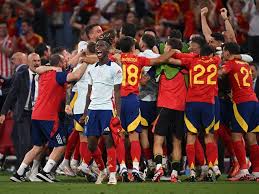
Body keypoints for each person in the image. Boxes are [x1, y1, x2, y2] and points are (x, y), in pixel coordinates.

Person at [9, 53, 89, 183]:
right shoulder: (57, 75)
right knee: (61, 144)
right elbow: (75, 75)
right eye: (64, 61)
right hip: (48, 117)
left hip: (36, 115)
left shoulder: (44, 75)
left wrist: (80, 55)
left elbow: (68, 67)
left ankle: (19, 173)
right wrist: (86, 62)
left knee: (38, 146)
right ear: (59, 64)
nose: (66, 63)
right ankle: (46, 172)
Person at [112, 36, 176, 181]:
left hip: (118, 100)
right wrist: (173, 51)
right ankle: (135, 168)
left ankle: (122, 168)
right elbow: (159, 60)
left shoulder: (117, 58)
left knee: (121, 135)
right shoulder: (139, 60)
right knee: (135, 136)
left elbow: (100, 57)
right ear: (133, 48)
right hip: (134, 100)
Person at [169, 44, 222, 181]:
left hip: (192, 103)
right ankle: (211, 168)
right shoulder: (215, 61)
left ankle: (192, 170)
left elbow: (176, 57)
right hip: (208, 103)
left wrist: (175, 50)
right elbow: (220, 56)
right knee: (209, 137)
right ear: (210, 54)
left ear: (200, 53)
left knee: (191, 137)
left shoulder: (192, 60)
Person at [81, 37, 122, 185]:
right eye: (97, 46)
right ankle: (102, 170)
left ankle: (112, 174)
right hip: (93, 110)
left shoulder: (116, 69)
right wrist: (85, 113)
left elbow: (117, 93)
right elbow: (88, 93)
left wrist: (118, 115)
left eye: (102, 46)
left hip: (107, 109)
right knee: (91, 144)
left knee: (109, 142)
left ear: (109, 49)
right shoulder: (92, 69)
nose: (98, 48)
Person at [220, 42, 259, 181]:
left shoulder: (231, 63)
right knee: (252, 138)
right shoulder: (245, 64)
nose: (223, 54)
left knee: (236, 136)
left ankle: (243, 170)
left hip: (241, 102)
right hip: (254, 101)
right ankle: (256, 172)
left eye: (224, 51)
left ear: (228, 52)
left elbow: (220, 73)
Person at [0, 52, 40, 169]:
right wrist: (3, 112)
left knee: (35, 143)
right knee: (25, 142)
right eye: (34, 61)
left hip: (37, 114)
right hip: (23, 113)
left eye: (38, 61)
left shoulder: (43, 75)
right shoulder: (21, 75)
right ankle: (22, 169)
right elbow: (12, 94)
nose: (37, 64)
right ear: (28, 63)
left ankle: (30, 168)